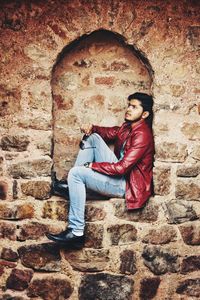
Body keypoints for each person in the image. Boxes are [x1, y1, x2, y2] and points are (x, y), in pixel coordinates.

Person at [46, 92, 154, 249]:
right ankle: (72, 187)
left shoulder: (143, 135)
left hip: (127, 185)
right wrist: (92, 127)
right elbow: (110, 133)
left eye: (134, 107)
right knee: (93, 137)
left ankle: (76, 232)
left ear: (144, 114)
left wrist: (92, 166)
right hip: (121, 175)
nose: (128, 109)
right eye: (128, 105)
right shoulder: (127, 127)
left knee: (76, 173)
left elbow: (122, 168)